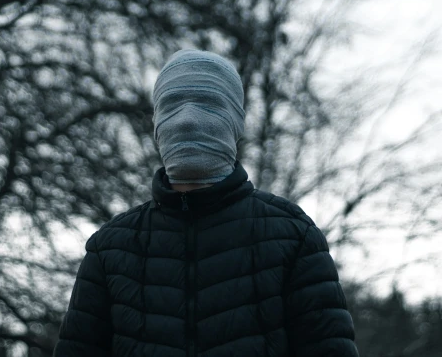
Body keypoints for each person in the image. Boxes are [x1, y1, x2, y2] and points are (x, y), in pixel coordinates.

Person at [53, 49, 358, 356]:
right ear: (156, 123)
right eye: (172, 104)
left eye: (208, 104)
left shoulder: (293, 237)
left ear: (236, 122)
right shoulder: (110, 249)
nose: (187, 120)